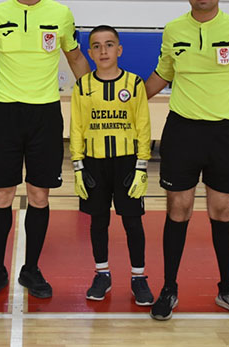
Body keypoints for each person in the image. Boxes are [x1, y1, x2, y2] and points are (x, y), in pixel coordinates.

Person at [143, 0, 229, 321]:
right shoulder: (173, 30)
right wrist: (125, 98)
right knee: (177, 210)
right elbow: (162, 75)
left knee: (222, 211)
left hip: (225, 134)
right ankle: (169, 288)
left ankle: (227, 289)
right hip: (182, 132)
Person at [0, 0, 91, 301]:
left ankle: (31, 269)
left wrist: (96, 97)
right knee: (1, 195)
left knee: (39, 195)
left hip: (45, 115)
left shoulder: (61, 14)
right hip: (5, 113)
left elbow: (76, 58)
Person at [70, 25, 154, 306]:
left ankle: (139, 277)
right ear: (90, 52)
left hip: (127, 163)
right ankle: (102, 274)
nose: (103, 50)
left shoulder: (134, 84)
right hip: (94, 163)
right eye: (96, 46)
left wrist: (142, 166)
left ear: (119, 50)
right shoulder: (82, 86)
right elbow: (77, 126)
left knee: (132, 221)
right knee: (98, 221)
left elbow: (143, 125)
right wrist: (78, 165)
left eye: (109, 45)